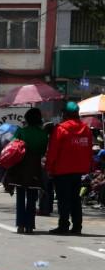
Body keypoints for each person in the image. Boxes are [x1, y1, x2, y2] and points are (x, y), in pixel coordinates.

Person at [45, 100, 94, 234]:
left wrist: (49, 168)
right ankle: (77, 226)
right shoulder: (87, 130)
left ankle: (63, 225)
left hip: (62, 170)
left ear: (65, 114)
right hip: (79, 170)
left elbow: (53, 151)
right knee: (75, 199)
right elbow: (89, 150)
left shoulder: (60, 129)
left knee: (63, 199)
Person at [3, 107, 49, 233]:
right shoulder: (43, 134)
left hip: (21, 166)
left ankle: (20, 225)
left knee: (21, 196)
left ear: (27, 119)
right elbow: (43, 151)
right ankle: (29, 225)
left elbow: (13, 146)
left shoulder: (21, 131)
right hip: (35, 167)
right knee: (32, 196)